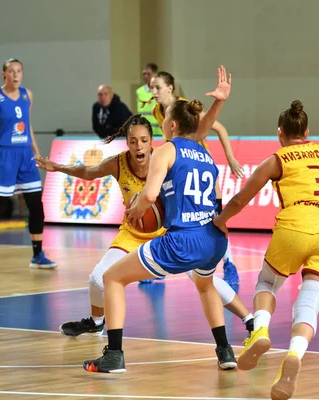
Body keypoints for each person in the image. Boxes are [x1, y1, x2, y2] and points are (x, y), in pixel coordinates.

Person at [35, 114, 253, 337]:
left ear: (151, 140)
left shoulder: (165, 157)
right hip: (133, 233)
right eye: (132, 141)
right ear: (127, 142)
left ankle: (250, 320)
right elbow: (88, 173)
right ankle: (96, 322)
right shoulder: (118, 163)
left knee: (204, 280)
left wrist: (217, 215)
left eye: (143, 140)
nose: (138, 146)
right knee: (97, 278)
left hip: (169, 234)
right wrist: (58, 167)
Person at [82, 66, 239, 373]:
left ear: (172, 124)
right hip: (214, 238)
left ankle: (114, 355)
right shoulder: (202, 151)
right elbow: (205, 129)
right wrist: (219, 102)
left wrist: (137, 210)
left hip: (183, 240)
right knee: (205, 287)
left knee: (112, 278)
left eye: (165, 119)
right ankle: (225, 351)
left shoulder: (165, 150)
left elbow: (150, 195)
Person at [213, 100, 319, 400]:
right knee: (308, 304)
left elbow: (240, 200)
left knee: (267, 282)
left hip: (296, 228)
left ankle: (260, 331)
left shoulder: (278, 159)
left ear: (280, 134)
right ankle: (294, 355)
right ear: (307, 132)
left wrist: (221, 221)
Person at [150, 71, 243, 289]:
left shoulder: (184, 107)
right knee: (167, 213)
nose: (153, 91)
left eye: (157, 87)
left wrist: (230, 157)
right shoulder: (157, 111)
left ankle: (229, 264)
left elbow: (218, 127)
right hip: (177, 168)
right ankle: (160, 266)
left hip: (198, 166)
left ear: (170, 88)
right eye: (151, 87)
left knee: (215, 219)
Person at [0, 58, 56, 272]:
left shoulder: (28, 95)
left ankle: (37, 255)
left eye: (19, 71)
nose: (16, 75)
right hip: (3, 155)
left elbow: (28, 127)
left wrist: (37, 153)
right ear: (4, 75)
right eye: (11, 71)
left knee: (36, 205)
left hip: (25, 154)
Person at [136, 62, 162, 137]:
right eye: (144, 74)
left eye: (148, 74)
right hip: (145, 132)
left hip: (159, 132)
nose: (145, 76)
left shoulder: (161, 90)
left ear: (155, 74)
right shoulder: (139, 91)